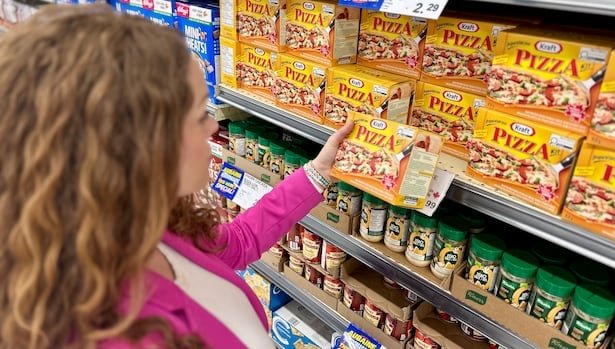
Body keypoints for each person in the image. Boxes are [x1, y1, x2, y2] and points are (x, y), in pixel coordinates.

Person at [0, 5, 353, 349]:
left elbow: (238, 242)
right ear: (135, 144)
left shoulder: (147, 225)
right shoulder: (114, 332)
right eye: (200, 113)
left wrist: (318, 173)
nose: (214, 126)